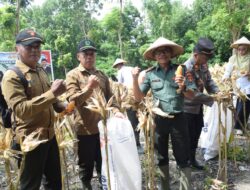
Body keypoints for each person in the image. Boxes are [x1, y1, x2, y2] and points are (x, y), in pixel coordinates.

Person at [1, 29, 66, 190]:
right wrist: (53, 94)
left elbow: (51, 101)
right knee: (30, 186)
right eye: (29, 46)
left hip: (49, 136)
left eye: (37, 46)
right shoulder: (12, 76)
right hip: (30, 140)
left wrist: (64, 106)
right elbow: (21, 109)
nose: (35, 50)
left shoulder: (41, 70)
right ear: (17, 48)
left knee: (54, 183)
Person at [132, 37, 196, 190]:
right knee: (161, 155)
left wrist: (183, 86)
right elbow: (139, 97)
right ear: (154, 56)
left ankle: (185, 187)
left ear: (171, 54)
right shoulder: (150, 74)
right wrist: (134, 79)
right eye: (158, 52)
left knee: (182, 155)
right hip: (158, 120)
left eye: (165, 51)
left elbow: (192, 95)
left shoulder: (183, 70)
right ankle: (164, 187)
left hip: (178, 118)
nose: (162, 54)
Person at [66, 38, 124, 190]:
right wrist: (89, 87)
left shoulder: (102, 75)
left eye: (92, 54)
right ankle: (86, 186)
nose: (89, 57)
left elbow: (111, 98)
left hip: (104, 129)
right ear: (78, 56)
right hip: (85, 130)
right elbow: (73, 101)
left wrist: (117, 111)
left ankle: (104, 186)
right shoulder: (73, 75)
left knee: (104, 163)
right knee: (86, 166)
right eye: (85, 54)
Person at [183, 38, 220, 170]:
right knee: (187, 135)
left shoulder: (203, 65)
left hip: (198, 107)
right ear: (196, 55)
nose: (207, 60)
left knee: (196, 133)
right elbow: (192, 94)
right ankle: (184, 162)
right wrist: (212, 99)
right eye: (205, 57)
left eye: (209, 57)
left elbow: (209, 82)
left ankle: (192, 159)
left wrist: (218, 92)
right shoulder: (186, 68)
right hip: (187, 108)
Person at [113, 58, 142, 152]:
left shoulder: (120, 71)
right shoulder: (131, 68)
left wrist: (120, 99)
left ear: (118, 65)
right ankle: (137, 142)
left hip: (129, 95)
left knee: (132, 120)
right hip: (138, 92)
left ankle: (136, 144)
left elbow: (120, 85)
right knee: (138, 118)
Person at [223, 36, 250, 135]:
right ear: (237, 49)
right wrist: (225, 77)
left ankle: (241, 126)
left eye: (244, 49)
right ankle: (238, 126)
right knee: (238, 104)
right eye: (239, 49)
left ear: (247, 49)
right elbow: (228, 70)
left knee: (246, 104)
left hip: (248, 83)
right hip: (237, 83)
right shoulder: (233, 58)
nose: (241, 51)